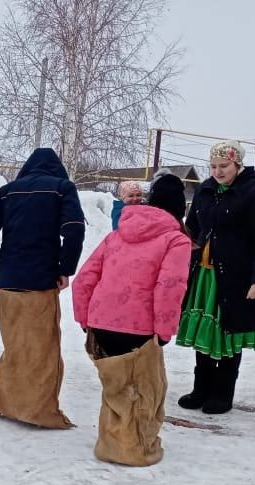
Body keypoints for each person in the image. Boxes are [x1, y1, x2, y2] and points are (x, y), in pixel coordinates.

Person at [72, 173, 191, 465]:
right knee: (143, 390)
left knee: (115, 388)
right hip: (139, 327)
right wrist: (164, 331)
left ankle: (109, 444)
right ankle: (132, 451)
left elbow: (83, 280)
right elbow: (170, 287)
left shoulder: (116, 234)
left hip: (100, 323)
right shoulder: (176, 240)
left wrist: (85, 319)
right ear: (180, 209)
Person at [0, 147, 86, 429]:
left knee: (14, 347)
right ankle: (37, 412)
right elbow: (74, 229)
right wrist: (65, 269)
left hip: (9, 282)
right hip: (41, 281)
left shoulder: (8, 191)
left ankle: (6, 405)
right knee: (42, 351)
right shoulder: (62, 188)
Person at [176, 140, 255, 415]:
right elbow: (192, 229)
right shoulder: (205, 189)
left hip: (236, 278)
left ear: (237, 164)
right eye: (213, 166)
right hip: (204, 276)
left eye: (223, 166)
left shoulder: (254, 193)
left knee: (228, 332)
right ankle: (201, 389)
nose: (217, 171)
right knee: (205, 333)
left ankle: (222, 393)